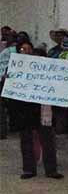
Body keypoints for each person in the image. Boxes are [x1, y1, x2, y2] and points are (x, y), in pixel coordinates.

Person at [8, 42, 63, 180]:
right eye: (23, 49)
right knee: (26, 140)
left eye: (28, 49)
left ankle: (51, 169)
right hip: (24, 110)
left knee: (48, 140)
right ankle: (29, 169)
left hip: (44, 109)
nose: (26, 51)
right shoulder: (15, 67)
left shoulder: (46, 69)